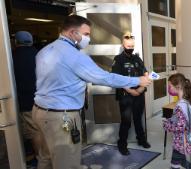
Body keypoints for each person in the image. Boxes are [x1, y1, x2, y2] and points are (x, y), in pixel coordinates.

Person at [32, 15, 152, 169]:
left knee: (46, 158)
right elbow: (105, 78)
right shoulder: (74, 56)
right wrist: (137, 81)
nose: (88, 38)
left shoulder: (44, 51)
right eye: (86, 34)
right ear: (72, 33)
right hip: (61, 117)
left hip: (40, 111)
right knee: (66, 164)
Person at [111, 32, 151, 156]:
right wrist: (131, 90)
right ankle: (122, 144)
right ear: (123, 46)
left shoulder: (137, 58)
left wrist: (139, 89)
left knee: (138, 119)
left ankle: (141, 140)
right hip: (125, 95)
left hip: (139, 93)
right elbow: (116, 78)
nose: (130, 48)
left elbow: (145, 73)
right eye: (128, 46)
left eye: (132, 46)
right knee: (126, 121)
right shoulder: (118, 59)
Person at [12, 31, 39, 167]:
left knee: (32, 132)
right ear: (31, 41)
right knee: (43, 129)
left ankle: (40, 158)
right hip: (43, 100)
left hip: (25, 101)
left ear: (16, 42)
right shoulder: (39, 54)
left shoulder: (12, 57)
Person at [163, 73, 191, 169]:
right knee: (182, 161)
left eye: (170, 86)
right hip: (185, 140)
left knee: (175, 165)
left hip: (181, 142)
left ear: (177, 86)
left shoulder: (180, 106)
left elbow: (180, 126)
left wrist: (167, 125)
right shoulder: (188, 100)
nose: (169, 89)